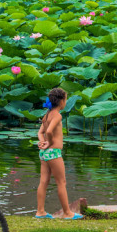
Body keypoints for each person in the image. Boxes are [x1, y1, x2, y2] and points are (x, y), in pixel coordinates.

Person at [35, 87, 80, 219]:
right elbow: (48, 132)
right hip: (53, 153)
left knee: (43, 181)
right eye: (65, 99)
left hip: (44, 153)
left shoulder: (47, 114)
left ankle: (40, 211)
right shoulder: (57, 115)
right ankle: (67, 213)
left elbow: (40, 132)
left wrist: (42, 142)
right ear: (61, 101)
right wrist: (49, 142)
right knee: (61, 182)